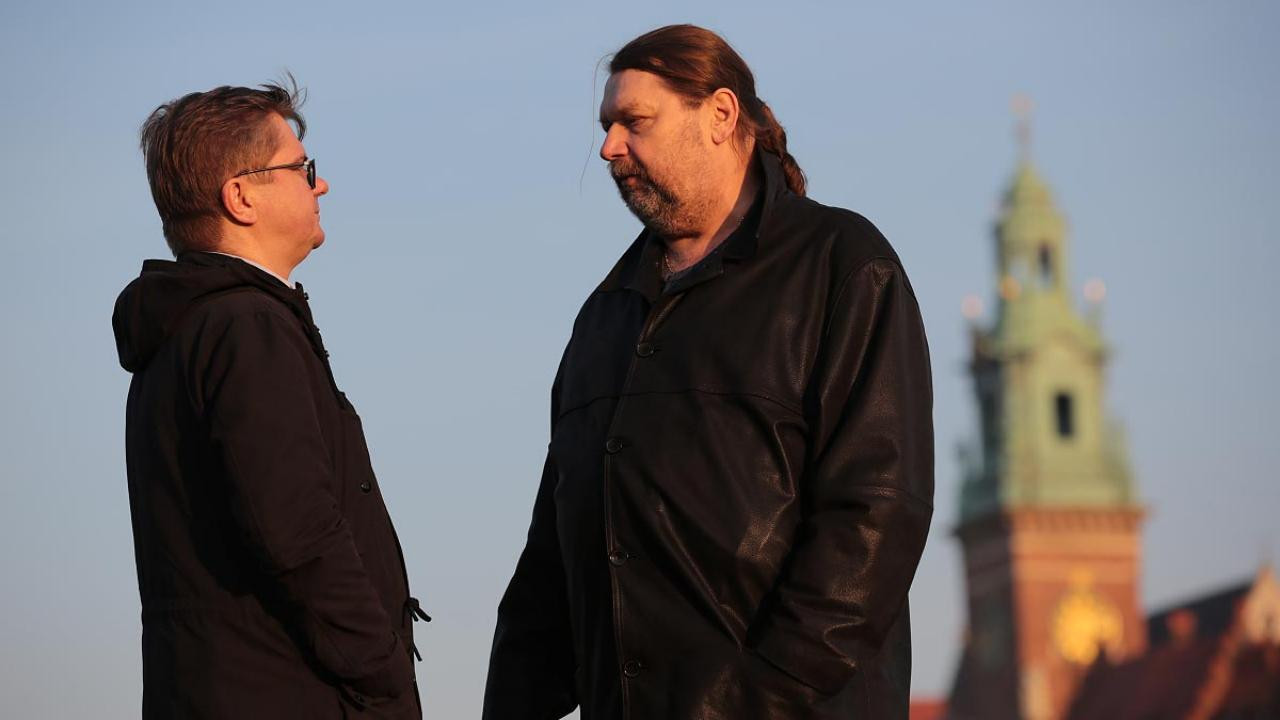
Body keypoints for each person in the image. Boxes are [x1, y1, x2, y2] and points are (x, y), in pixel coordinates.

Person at [484, 25, 934, 720]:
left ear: (721, 115)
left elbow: (875, 515)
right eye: (606, 127)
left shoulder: (842, 265)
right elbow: (552, 562)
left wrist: (753, 700)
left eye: (635, 121)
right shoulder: (603, 318)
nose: (609, 147)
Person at [112, 78, 427, 719]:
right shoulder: (244, 326)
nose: (320, 185)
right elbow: (296, 530)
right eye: (302, 169)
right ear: (241, 196)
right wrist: (383, 676)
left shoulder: (189, 330)